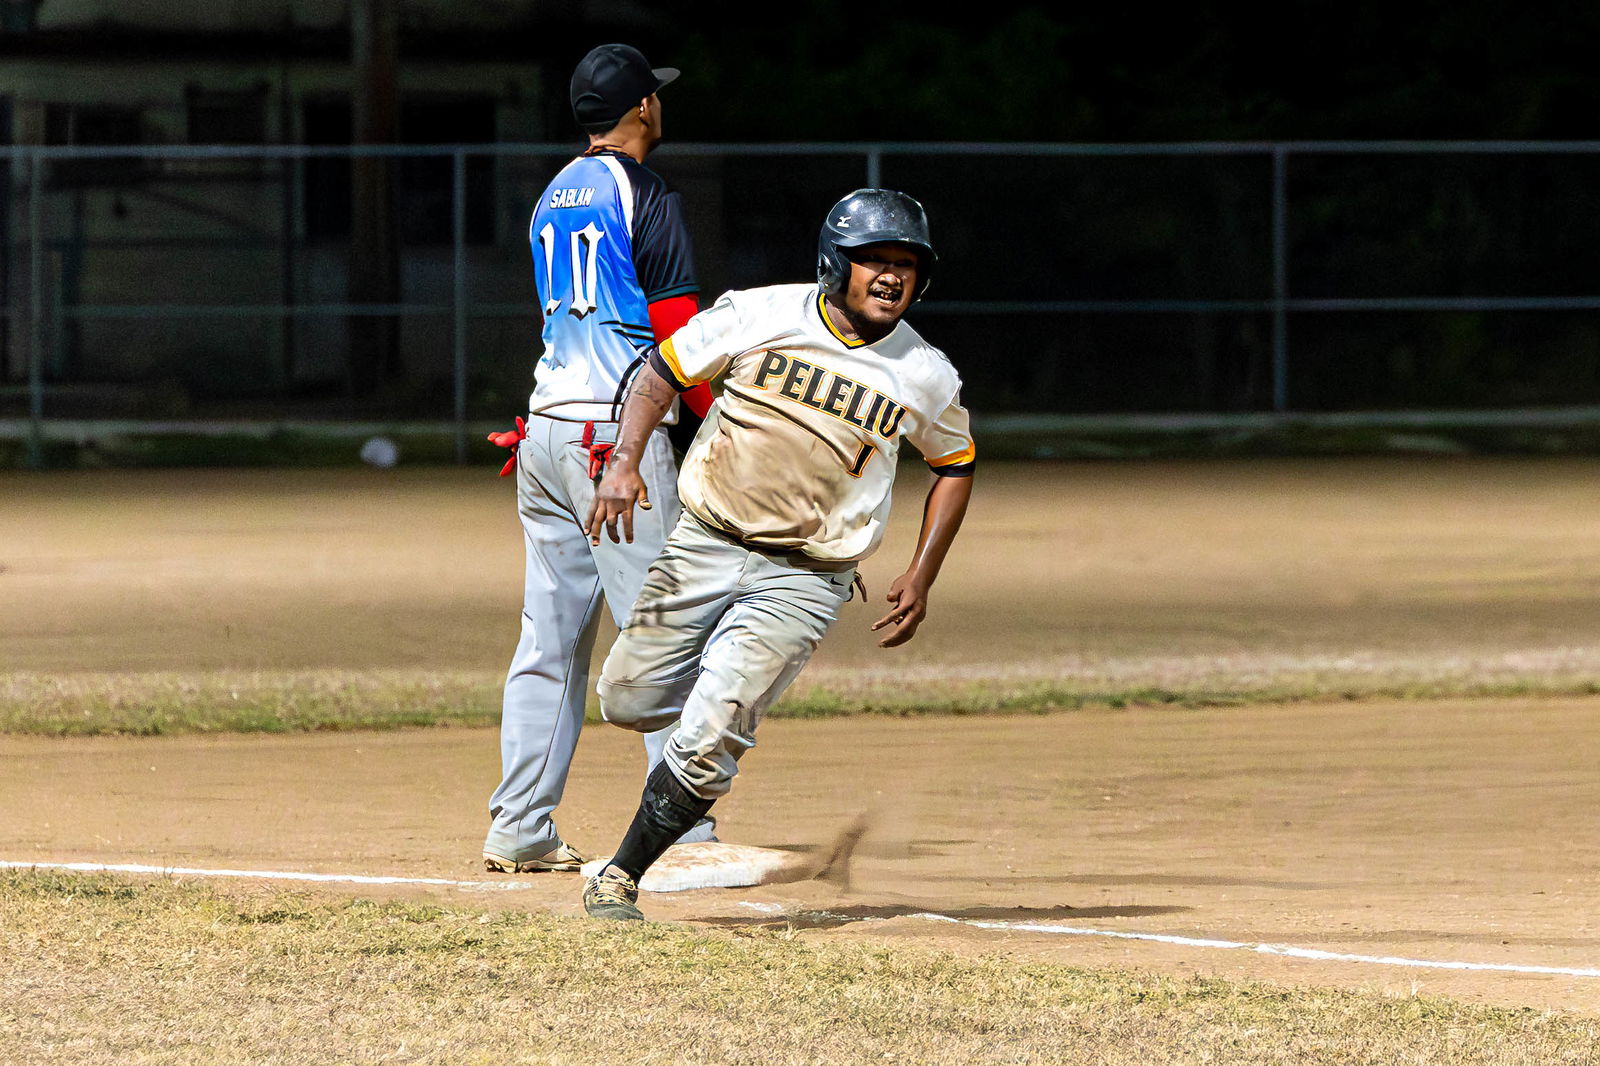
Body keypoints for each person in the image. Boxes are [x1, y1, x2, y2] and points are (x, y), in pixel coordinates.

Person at [577, 188, 976, 919]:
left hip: (809, 574)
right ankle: (718, 666)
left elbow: (954, 462)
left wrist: (923, 570)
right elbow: (662, 372)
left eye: (907, 265)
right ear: (835, 265)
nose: (892, 277)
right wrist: (624, 459)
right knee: (626, 700)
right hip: (704, 539)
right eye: (874, 262)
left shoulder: (925, 371)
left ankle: (621, 875)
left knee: (710, 732)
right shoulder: (760, 315)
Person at [481, 43, 716, 874]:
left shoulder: (553, 192)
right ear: (644, 109)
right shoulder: (643, 192)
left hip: (546, 428)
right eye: (656, 96)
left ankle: (519, 825)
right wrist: (712, 425)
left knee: (550, 639)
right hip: (613, 439)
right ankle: (684, 831)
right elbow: (679, 325)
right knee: (665, 632)